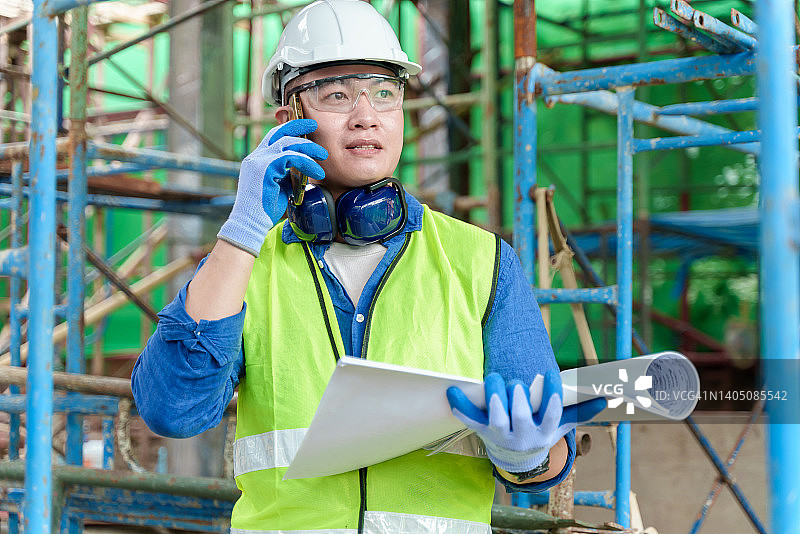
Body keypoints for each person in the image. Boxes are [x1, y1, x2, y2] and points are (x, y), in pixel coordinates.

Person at [132, 1, 606, 532]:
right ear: (288, 118)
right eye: (337, 94)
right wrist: (241, 234)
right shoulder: (246, 266)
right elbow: (172, 409)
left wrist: (524, 454)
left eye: (385, 92)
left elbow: (546, 464)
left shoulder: (481, 261)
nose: (366, 115)